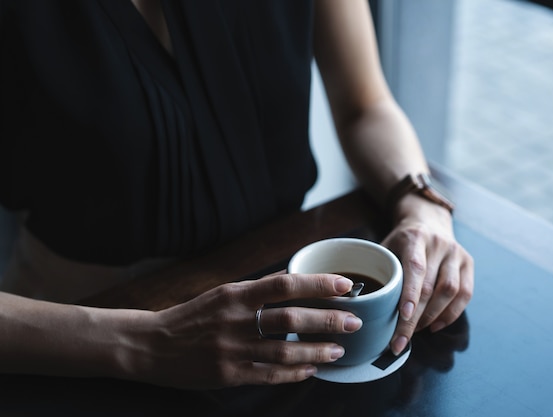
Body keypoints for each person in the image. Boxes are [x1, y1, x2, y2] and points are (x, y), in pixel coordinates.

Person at [0, 0, 473, 390]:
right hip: (79, 332)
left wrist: (422, 204)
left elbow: (365, 104)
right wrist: (150, 342)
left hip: (291, 309)